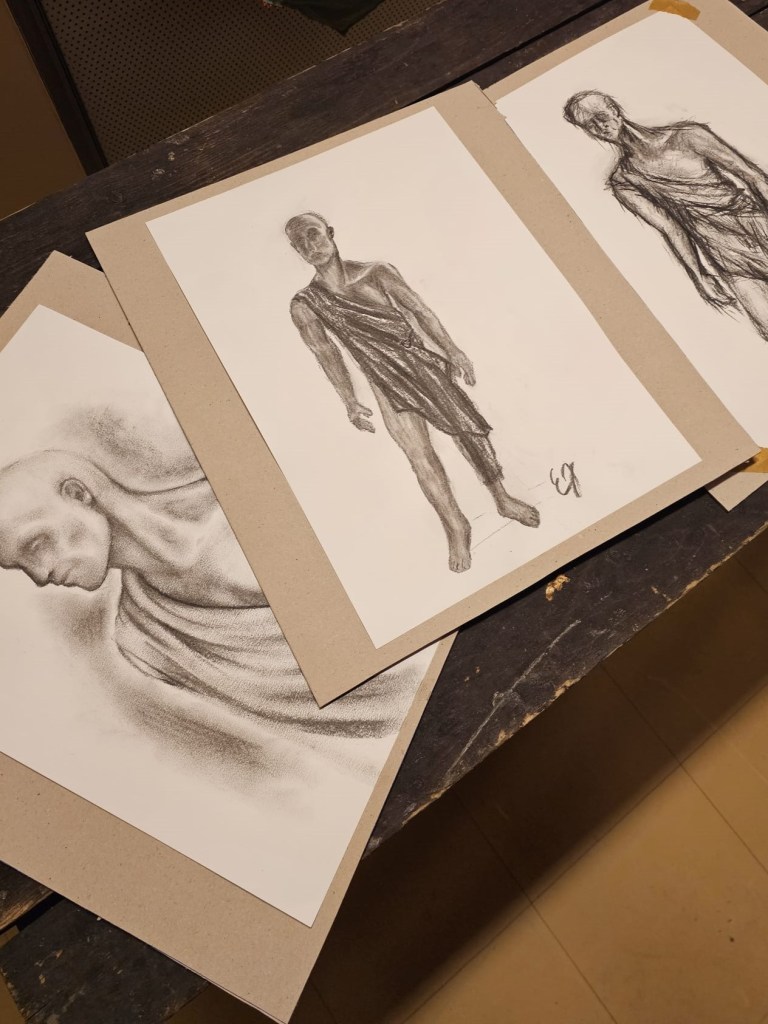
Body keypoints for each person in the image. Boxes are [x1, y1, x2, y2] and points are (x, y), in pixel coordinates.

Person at [0, 449, 419, 781]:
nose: (39, 576)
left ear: (78, 495)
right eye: (21, 566)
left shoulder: (252, 500)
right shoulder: (141, 641)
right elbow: (323, 742)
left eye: (36, 545)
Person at [285, 212, 540, 575]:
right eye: (301, 243)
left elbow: (420, 311)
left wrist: (453, 350)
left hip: (422, 365)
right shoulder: (305, 303)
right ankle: (456, 526)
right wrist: (350, 402)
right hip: (385, 382)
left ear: (330, 232)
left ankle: (502, 500)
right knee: (420, 457)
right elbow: (327, 354)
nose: (311, 246)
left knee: (470, 432)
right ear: (296, 251)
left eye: (314, 234)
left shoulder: (376, 272)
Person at [563, 90, 768, 341]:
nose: (600, 127)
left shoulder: (688, 135)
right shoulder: (624, 180)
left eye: (601, 117)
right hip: (726, 255)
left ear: (615, 111)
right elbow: (670, 228)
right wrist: (699, 275)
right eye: (589, 125)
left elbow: (752, 176)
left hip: (758, 226)